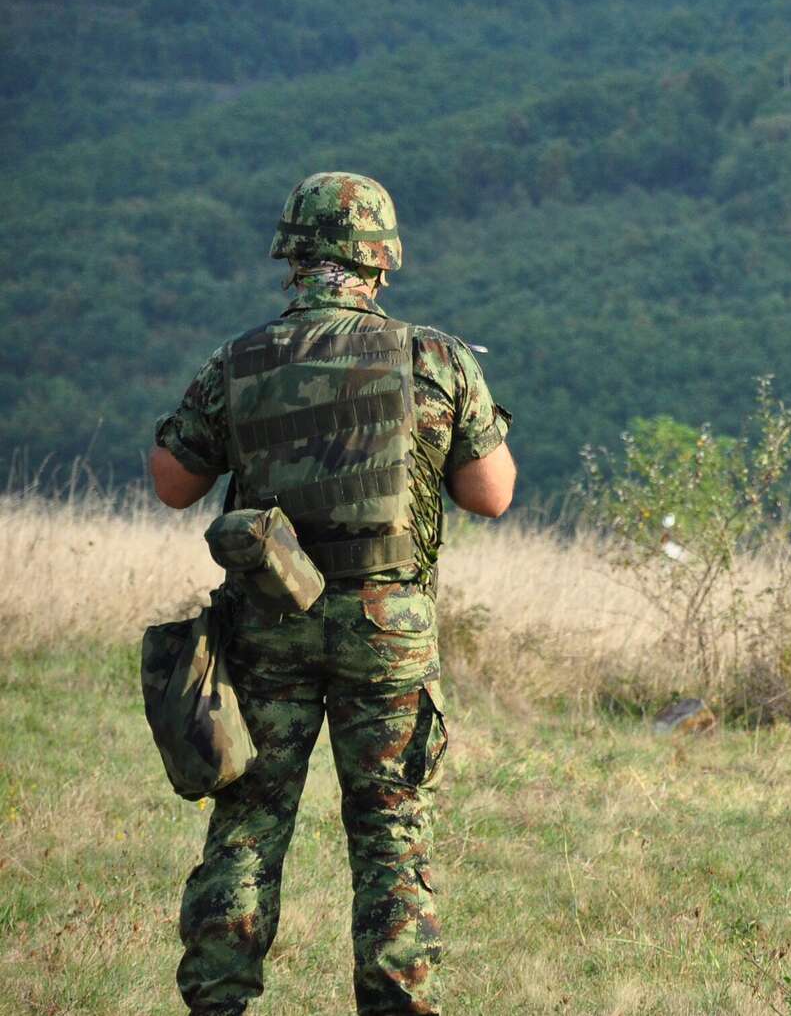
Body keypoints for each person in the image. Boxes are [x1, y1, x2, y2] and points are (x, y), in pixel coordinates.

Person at [149, 171, 516, 1016]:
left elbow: (173, 480)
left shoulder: (238, 359)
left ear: (293, 257)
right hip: (387, 631)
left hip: (268, 629)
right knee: (391, 836)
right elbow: (492, 493)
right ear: (381, 262)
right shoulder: (434, 358)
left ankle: (217, 1000)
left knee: (246, 822)